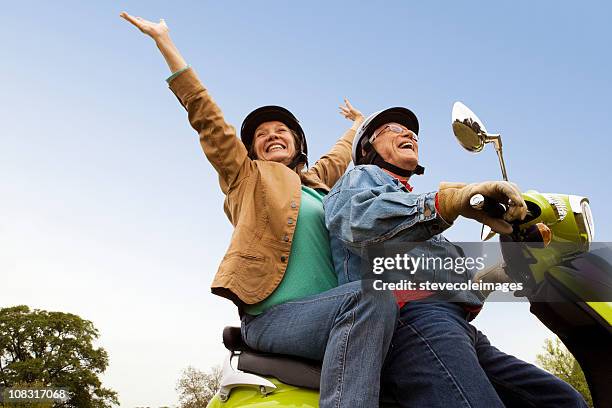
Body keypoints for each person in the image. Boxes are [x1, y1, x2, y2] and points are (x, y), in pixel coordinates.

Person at [120, 13, 398, 408]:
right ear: (251, 149)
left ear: (298, 144)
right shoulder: (245, 177)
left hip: (336, 315)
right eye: (261, 135)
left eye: (281, 131)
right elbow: (207, 118)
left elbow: (340, 157)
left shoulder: (318, 184)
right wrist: (165, 43)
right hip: (274, 319)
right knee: (372, 295)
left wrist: (357, 124)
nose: (272, 136)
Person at [324, 107, 588, 407]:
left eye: (410, 132)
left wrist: (505, 271)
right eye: (393, 129)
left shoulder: (420, 218)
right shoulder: (360, 177)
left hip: (458, 327)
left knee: (564, 400)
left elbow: (459, 284)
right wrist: (448, 203)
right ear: (366, 147)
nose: (408, 133)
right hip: (410, 321)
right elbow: (356, 221)